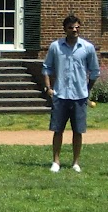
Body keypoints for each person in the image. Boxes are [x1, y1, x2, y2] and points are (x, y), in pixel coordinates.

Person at [42, 14, 100, 173]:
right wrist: (49, 88)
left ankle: (75, 162)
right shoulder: (56, 47)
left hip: (79, 97)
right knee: (57, 130)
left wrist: (87, 89)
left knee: (78, 131)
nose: (75, 30)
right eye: (71, 28)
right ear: (65, 29)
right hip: (60, 95)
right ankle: (56, 161)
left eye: (77, 28)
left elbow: (94, 71)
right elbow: (46, 68)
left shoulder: (87, 47)